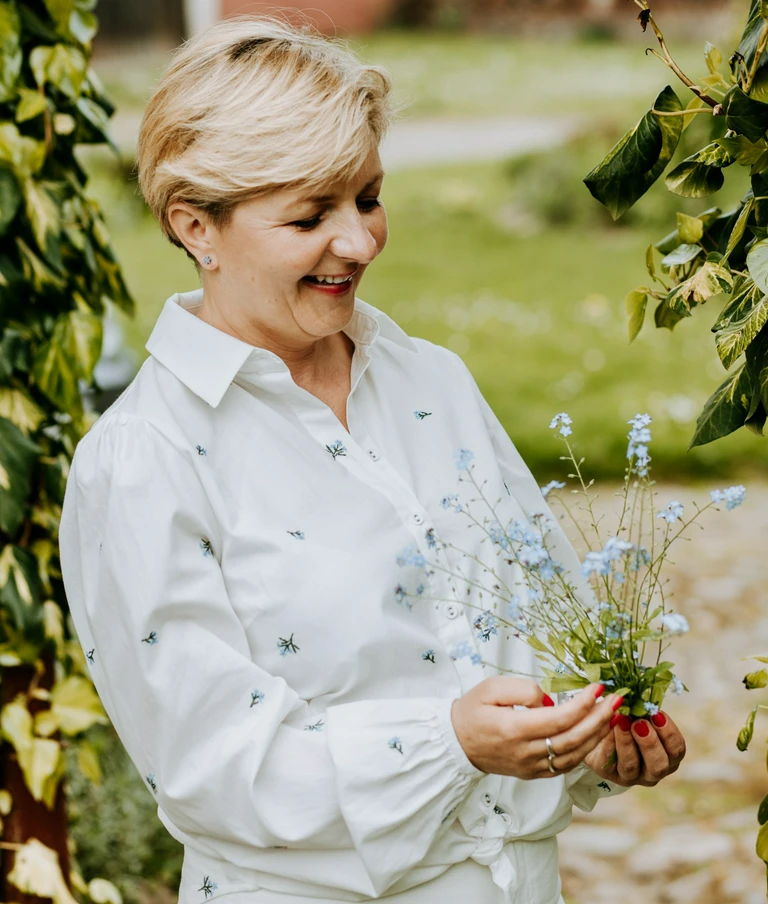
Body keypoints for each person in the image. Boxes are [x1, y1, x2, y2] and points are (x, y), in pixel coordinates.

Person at [58, 17, 686, 904]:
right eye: (310, 215)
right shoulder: (141, 463)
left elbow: (545, 620)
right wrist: (448, 744)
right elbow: (208, 764)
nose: (357, 242)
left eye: (367, 197)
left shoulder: (431, 379)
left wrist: (600, 732)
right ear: (196, 225)